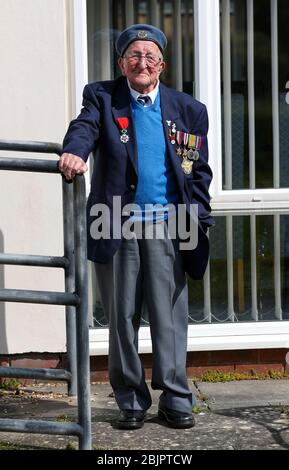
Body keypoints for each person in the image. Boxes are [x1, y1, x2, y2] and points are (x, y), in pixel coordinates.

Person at [59, 24, 213, 430]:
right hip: (115, 223)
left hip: (170, 225)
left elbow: (198, 174)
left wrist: (199, 218)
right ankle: (130, 399)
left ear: (162, 64)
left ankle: (176, 398)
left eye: (149, 55)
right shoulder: (103, 97)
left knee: (170, 318)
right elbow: (85, 127)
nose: (141, 62)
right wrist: (75, 153)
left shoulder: (189, 110)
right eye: (133, 55)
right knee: (122, 317)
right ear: (121, 63)